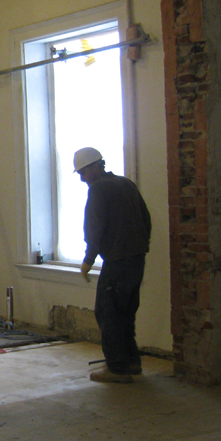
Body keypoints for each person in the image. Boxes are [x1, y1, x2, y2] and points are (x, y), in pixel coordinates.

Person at [73, 147, 152, 384]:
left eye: (83, 172)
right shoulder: (126, 184)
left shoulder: (99, 189)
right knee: (126, 311)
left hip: (117, 261)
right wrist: (140, 247)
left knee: (108, 313)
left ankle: (117, 368)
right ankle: (132, 362)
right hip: (136, 260)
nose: (82, 178)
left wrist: (88, 259)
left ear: (96, 166)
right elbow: (146, 219)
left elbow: (95, 227)